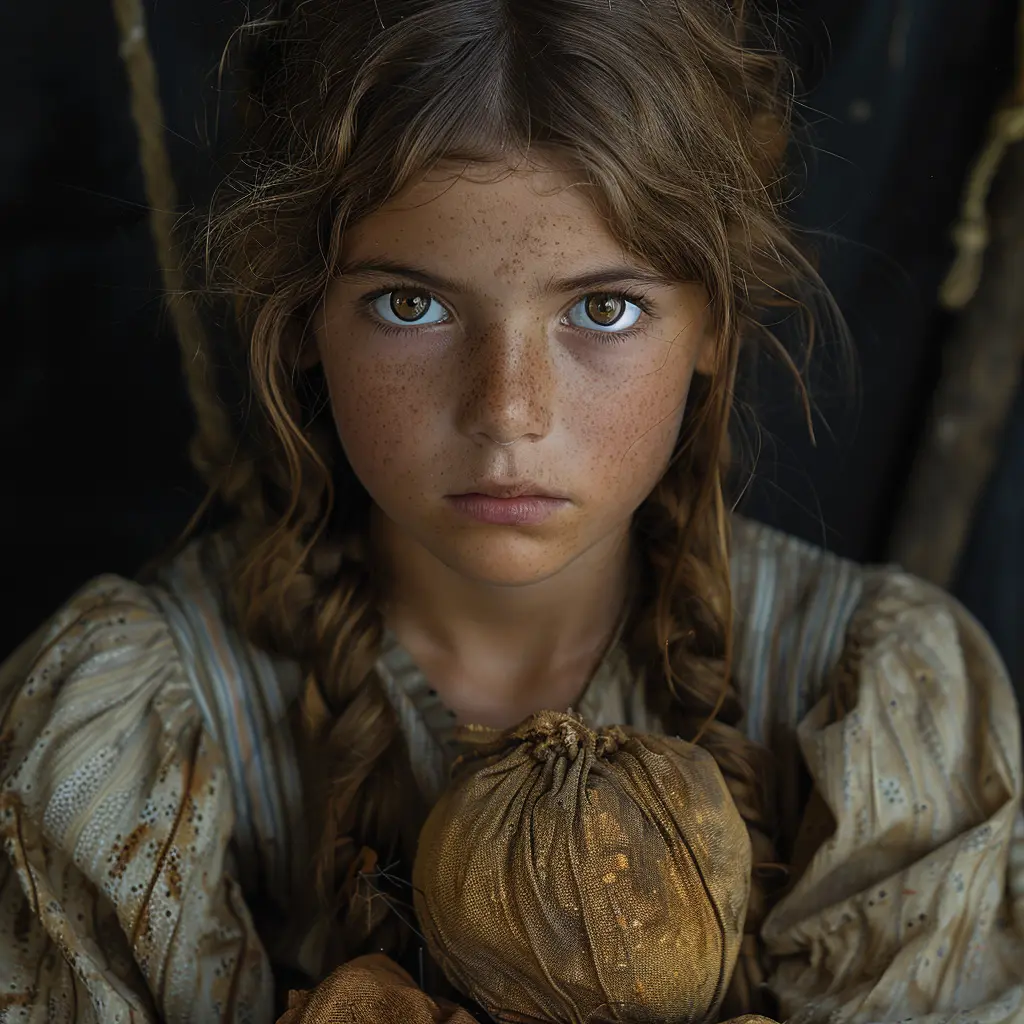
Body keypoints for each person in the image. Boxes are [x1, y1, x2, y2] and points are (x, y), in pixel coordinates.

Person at [1, 0, 1022, 1021]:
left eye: (601, 309)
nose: (507, 414)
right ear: (306, 311)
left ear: (713, 321)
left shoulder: (872, 708)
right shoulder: (124, 742)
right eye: (413, 305)